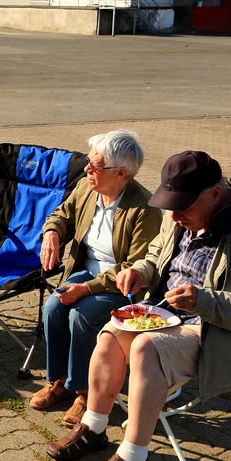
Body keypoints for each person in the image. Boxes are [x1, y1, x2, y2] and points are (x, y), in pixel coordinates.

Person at [44, 150, 231, 461]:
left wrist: (204, 301)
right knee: (112, 332)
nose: (174, 215)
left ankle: (134, 460)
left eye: (184, 208)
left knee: (146, 346)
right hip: (168, 316)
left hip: (221, 333)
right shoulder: (178, 215)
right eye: (171, 205)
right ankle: (94, 427)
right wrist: (139, 271)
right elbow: (152, 257)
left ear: (215, 194)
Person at [31, 130, 161, 426]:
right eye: (89, 162)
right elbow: (61, 214)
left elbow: (136, 265)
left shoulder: (144, 208)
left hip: (121, 283)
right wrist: (51, 233)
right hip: (85, 269)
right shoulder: (86, 187)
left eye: (96, 165)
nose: (88, 169)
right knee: (52, 307)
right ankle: (59, 381)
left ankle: (85, 392)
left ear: (121, 173)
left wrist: (85, 289)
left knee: (82, 315)